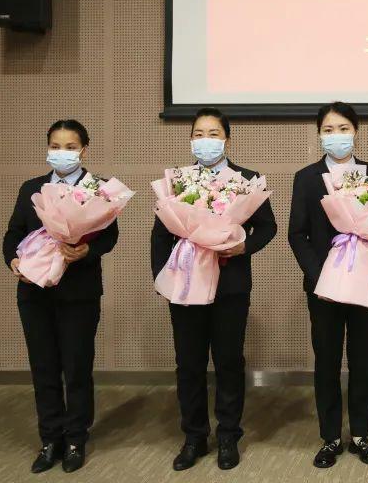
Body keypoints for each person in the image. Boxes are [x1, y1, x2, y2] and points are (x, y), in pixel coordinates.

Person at [151, 108, 277, 471]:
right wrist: (163, 279)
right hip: (185, 284)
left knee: (228, 362)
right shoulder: (177, 181)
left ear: (227, 139)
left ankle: (228, 435)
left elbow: (267, 227)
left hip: (230, 285)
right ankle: (193, 436)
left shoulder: (246, 180)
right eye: (198, 134)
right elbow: (160, 235)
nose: (205, 141)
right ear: (190, 139)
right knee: (189, 364)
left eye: (213, 134)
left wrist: (243, 247)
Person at [2, 119, 119, 474]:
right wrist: (13, 260)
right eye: (55, 146)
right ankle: (49, 438)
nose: (62, 152)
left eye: (70, 147)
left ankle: (75, 439)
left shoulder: (98, 189)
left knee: (77, 367)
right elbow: (13, 233)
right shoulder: (31, 188)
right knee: (44, 367)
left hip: (79, 293)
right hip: (34, 291)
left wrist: (86, 251)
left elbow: (109, 236)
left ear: (84, 149)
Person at [288, 102, 368, 468]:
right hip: (323, 286)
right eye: (329, 129)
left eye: (343, 128)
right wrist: (321, 276)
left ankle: (361, 434)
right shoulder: (306, 177)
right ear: (319, 134)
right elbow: (297, 234)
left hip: (366, 280)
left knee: (362, 359)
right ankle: (330, 437)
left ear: (356, 131)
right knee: (327, 361)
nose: (337, 136)